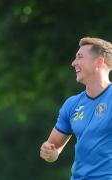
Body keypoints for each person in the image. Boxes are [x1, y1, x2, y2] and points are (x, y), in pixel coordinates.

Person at [40, 37, 112, 180]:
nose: (73, 63)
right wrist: (48, 151)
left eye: (80, 57)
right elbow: (54, 148)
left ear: (99, 62)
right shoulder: (72, 104)